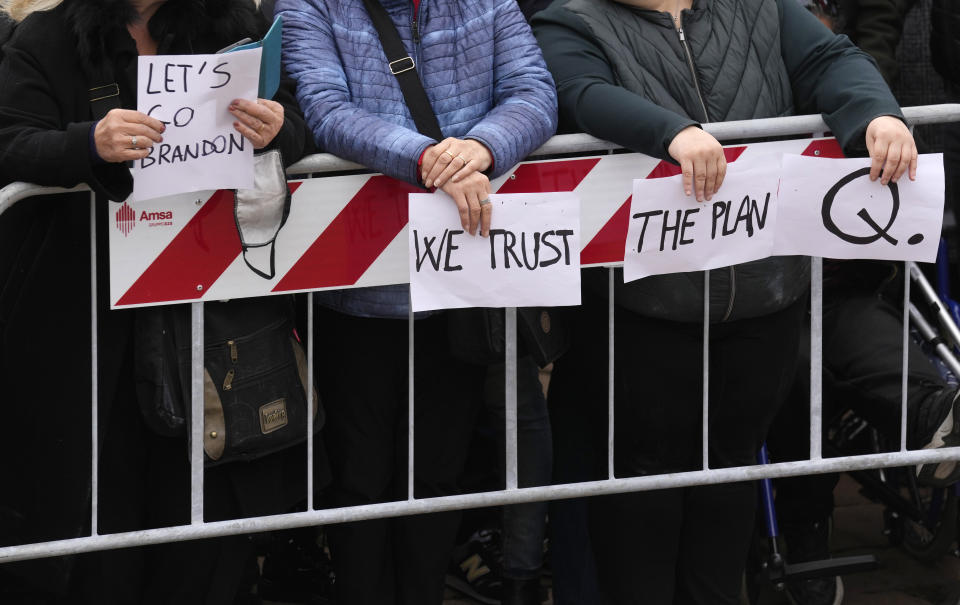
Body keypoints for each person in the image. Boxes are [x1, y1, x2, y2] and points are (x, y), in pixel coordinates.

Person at [531, 0, 918, 603]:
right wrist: (673, 132)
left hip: (766, 299)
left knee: (732, 472)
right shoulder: (569, 20)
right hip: (647, 310)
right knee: (644, 485)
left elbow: (830, 58)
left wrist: (878, 115)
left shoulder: (760, 6)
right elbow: (581, 91)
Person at [0, 0, 317, 601]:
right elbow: (10, 140)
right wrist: (87, 141)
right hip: (86, 322)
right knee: (102, 510)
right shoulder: (48, 35)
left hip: (208, 314)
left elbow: (297, 126)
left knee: (201, 515)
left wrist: (279, 129)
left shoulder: (236, 27)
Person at [276, 0, 558, 603]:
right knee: (361, 477)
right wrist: (428, 159)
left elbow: (534, 90)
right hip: (357, 297)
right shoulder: (310, 7)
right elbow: (325, 111)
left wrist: (481, 148)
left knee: (439, 473)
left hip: (458, 290)